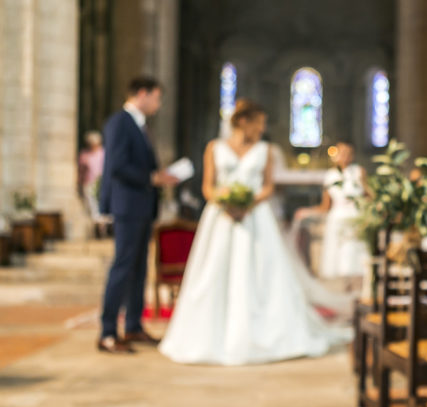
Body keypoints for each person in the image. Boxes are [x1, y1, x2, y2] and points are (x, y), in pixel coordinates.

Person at [159, 99, 348, 366]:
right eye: (258, 123)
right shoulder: (215, 147)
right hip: (221, 217)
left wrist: (248, 202)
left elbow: (268, 186)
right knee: (215, 273)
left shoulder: (265, 150)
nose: (262, 129)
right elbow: (208, 186)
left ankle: (263, 333)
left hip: (255, 217)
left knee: (261, 274)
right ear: (242, 121)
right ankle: (211, 336)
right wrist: (225, 201)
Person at [98, 76, 179, 354]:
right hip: (128, 206)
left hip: (142, 206)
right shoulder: (120, 122)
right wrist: (152, 178)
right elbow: (117, 166)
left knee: (139, 269)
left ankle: (133, 326)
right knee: (123, 267)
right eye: (156, 97)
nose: (158, 104)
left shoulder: (140, 125)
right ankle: (108, 332)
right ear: (142, 94)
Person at [294, 142, 369, 279]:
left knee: (354, 253)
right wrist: (307, 211)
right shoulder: (330, 175)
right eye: (341, 153)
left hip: (356, 217)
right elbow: (325, 206)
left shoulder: (359, 171)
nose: (344, 156)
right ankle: (343, 289)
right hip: (337, 218)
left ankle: (356, 286)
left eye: (348, 153)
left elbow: (368, 195)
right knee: (338, 257)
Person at [78, 131, 110, 238]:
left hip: (101, 182)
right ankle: (97, 229)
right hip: (89, 183)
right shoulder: (84, 154)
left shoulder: (103, 153)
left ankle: (103, 228)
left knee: (102, 206)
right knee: (93, 207)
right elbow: (81, 171)